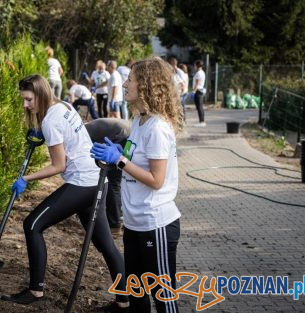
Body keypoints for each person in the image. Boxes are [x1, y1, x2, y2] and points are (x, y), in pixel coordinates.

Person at [1, 74, 129, 312]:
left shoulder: (51, 120)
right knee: (105, 244)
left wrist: (25, 179)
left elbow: (58, 165)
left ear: (39, 95)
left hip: (82, 183)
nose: (25, 105)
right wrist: (41, 133)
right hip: (95, 180)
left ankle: (35, 290)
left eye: (28, 100)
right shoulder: (63, 106)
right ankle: (124, 301)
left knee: (32, 225)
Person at [91, 57, 182, 313]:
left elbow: (156, 180)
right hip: (134, 223)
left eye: (130, 79)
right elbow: (134, 158)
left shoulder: (157, 128)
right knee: (137, 295)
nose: (125, 83)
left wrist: (119, 160)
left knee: (165, 299)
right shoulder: (139, 122)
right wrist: (119, 152)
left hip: (156, 224)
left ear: (146, 85)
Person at [85, 118, 131, 237]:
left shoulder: (82, 135)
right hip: (123, 134)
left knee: (113, 183)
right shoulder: (86, 129)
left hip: (122, 139)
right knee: (118, 181)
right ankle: (118, 218)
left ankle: (115, 225)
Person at [192, 59, 206, 127]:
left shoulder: (198, 73)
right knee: (200, 107)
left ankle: (202, 121)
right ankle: (201, 121)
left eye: (194, 65)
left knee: (199, 107)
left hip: (198, 91)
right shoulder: (202, 72)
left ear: (197, 65)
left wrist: (193, 91)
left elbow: (197, 83)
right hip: (200, 91)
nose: (194, 67)